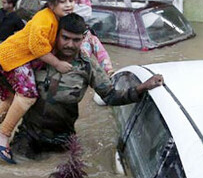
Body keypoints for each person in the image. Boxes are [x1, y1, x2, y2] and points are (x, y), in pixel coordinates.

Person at [10, 13, 163, 158]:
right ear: (56, 34)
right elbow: (10, 83)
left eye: (76, 40)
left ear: (83, 38)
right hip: (28, 134)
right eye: (65, 38)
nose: (69, 44)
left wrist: (143, 87)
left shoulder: (88, 66)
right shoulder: (39, 57)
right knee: (17, 167)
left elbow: (110, 96)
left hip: (62, 139)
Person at [0, 0, 76, 164]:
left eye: (71, 0)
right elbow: (37, 47)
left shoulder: (57, 19)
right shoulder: (44, 18)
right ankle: (3, 134)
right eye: (63, 1)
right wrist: (57, 63)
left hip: (12, 57)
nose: (69, 5)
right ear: (51, 4)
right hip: (14, 58)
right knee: (28, 96)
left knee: (15, 97)